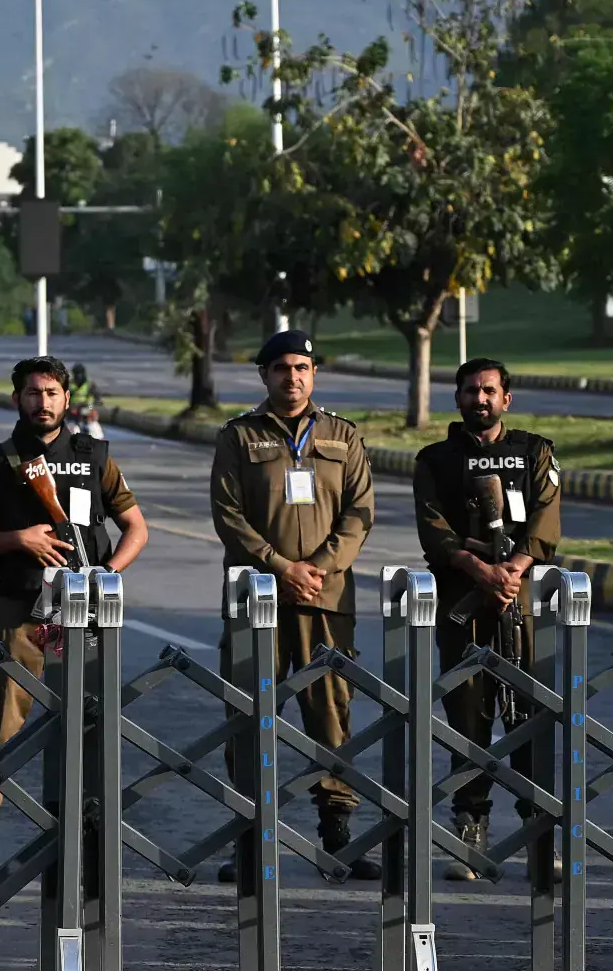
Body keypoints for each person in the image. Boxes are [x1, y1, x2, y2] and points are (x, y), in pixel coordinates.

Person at [0, 355, 150, 871]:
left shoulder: (94, 457)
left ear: (67, 398)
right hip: (16, 611)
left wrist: (109, 573)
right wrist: (19, 538)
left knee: (87, 725)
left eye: (53, 393)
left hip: (81, 612)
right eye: (34, 393)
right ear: (16, 398)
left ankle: (83, 831)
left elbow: (136, 528)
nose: (44, 402)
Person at [208, 329, 379, 882]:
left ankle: (337, 836)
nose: (293, 377)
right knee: (248, 716)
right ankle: (252, 841)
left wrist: (320, 568)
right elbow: (228, 513)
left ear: (314, 373)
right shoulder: (238, 436)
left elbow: (359, 512)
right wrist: (280, 567)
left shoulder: (342, 435)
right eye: (282, 367)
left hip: (326, 599)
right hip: (257, 597)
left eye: (303, 367)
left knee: (331, 712)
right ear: (265, 375)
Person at [412, 358, 563, 882]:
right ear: (457, 398)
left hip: (520, 602)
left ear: (507, 399)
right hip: (463, 604)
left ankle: (540, 830)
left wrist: (513, 570)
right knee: (468, 717)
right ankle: (469, 828)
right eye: (471, 390)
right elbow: (433, 529)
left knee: (529, 716)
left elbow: (546, 519)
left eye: (490, 391)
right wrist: (479, 570)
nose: (480, 399)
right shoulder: (435, 459)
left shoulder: (535, 451)